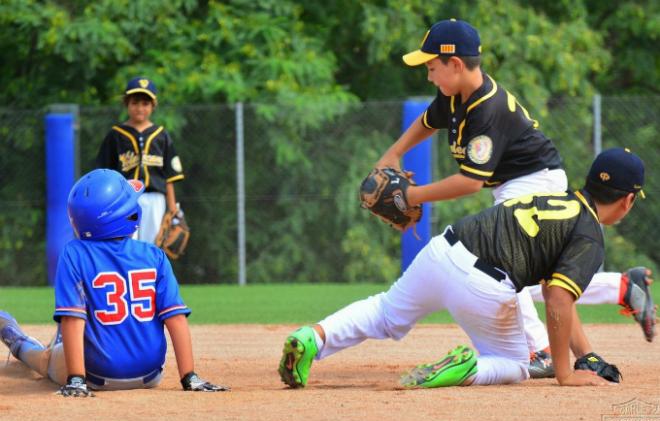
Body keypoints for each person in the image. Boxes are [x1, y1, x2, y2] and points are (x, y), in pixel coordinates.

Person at [374, 19, 653, 377]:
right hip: (516, 183)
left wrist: (413, 194)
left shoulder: (489, 107)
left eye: (431, 66)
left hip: (532, 180)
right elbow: (428, 121)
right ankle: (622, 289)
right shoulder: (454, 96)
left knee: (506, 265)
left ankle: (540, 349)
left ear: (455, 63)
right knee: (536, 274)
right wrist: (393, 154)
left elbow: (471, 182)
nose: (428, 75)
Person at [278, 147, 653, 388]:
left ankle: (314, 337)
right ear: (628, 201)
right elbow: (558, 301)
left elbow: (556, 292)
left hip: (444, 249)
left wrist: (585, 355)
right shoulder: (588, 234)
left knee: (384, 312)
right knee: (516, 363)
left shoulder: (554, 198)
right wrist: (566, 373)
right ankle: (467, 368)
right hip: (483, 284)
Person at [0, 169, 227, 396]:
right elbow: (175, 317)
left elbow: (72, 319)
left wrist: (77, 380)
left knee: (48, 356)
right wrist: (190, 377)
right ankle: (54, 342)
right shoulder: (154, 255)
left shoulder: (74, 253)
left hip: (93, 376)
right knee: (75, 313)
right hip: (150, 375)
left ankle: (18, 342)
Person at [96, 77, 185, 244]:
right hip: (124, 198)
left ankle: (150, 271)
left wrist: (173, 208)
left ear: (153, 106)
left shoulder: (161, 135)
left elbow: (169, 176)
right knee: (127, 243)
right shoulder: (115, 135)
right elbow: (105, 174)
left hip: (155, 198)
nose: (140, 108)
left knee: (152, 245)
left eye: (145, 103)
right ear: (126, 104)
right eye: (135, 103)